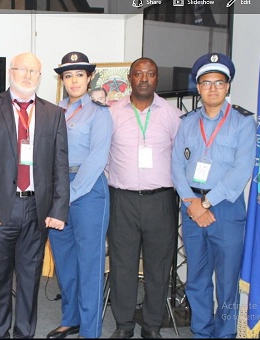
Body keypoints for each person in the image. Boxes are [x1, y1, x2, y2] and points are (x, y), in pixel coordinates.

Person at [0, 52, 70, 338]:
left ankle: (24, 333)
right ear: (11, 72)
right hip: (1, 208)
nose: (28, 75)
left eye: (34, 71)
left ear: (41, 77)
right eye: (22, 69)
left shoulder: (54, 114)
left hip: (37, 209)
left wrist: (59, 208)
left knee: (30, 279)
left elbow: (59, 165)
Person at [171, 53, 256, 338]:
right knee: (197, 278)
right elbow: (176, 166)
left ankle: (226, 334)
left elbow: (241, 170)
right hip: (191, 206)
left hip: (227, 209)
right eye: (206, 83)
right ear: (198, 86)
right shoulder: (187, 122)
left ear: (228, 86)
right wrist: (192, 203)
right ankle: (202, 332)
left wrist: (206, 203)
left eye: (219, 82)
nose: (212, 88)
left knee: (227, 282)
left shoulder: (243, 122)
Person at [106, 57, 182, 339]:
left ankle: (151, 326)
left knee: (158, 267)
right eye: (139, 74)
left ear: (157, 79)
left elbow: (180, 156)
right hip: (122, 200)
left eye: (150, 74)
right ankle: (124, 325)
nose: (144, 79)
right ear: (130, 78)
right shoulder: (112, 113)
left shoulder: (172, 115)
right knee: (122, 266)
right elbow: (103, 156)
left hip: (160, 201)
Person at [47, 52, 112, 339]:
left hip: (87, 189)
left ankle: (90, 330)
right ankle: (70, 318)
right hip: (57, 187)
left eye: (80, 75)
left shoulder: (99, 112)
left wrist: (68, 194)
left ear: (89, 78)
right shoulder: (51, 111)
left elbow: (98, 158)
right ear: (62, 80)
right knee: (64, 260)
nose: (74, 80)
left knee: (89, 263)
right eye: (68, 75)